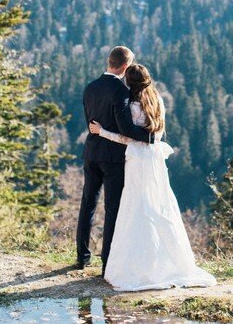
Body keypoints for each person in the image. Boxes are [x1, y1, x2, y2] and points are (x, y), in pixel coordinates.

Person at [89, 63, 216, 291]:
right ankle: (168, 262)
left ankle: (137, 265)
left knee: (136, 208)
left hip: (137, 161)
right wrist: (149, 140)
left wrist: (102, 132)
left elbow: (128, 137)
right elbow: (154, 136)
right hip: (155, 160)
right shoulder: (158, 100)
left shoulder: (132, 105)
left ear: (129, 82)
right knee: (160, 205)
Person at [74, 46, 156, 270]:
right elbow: (126, 128)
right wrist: (149, 137)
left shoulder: (90, 87)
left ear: (110, 61)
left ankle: (82, 256)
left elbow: (90, 123)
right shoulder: (120, 91)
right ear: (126, 66)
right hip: (112, 158)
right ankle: (107, 262)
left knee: (87, 205)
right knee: (112, 208)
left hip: (91, 153)